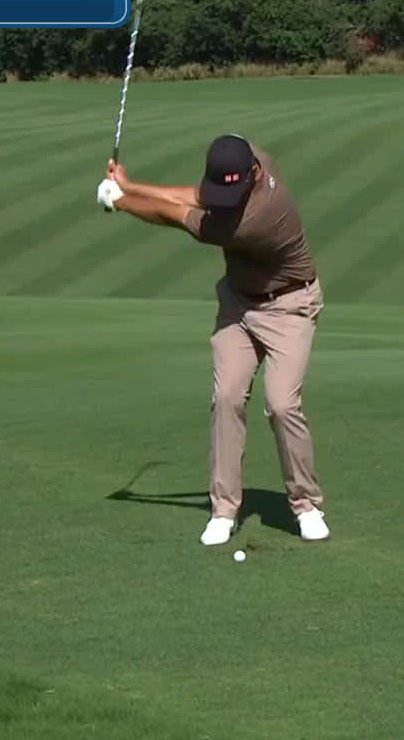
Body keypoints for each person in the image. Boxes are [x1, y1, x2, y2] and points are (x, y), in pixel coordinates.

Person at [95, 135, 330, 546]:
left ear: (255, 174)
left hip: (290, 306)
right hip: (238, 305)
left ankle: (306, 504)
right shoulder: (250, 156)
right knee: (227, 398)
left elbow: (174, 213)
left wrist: (121, 200)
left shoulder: (258, 217)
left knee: (281, 404)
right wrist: (129, 185)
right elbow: (196, 194)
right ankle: (224, 509)